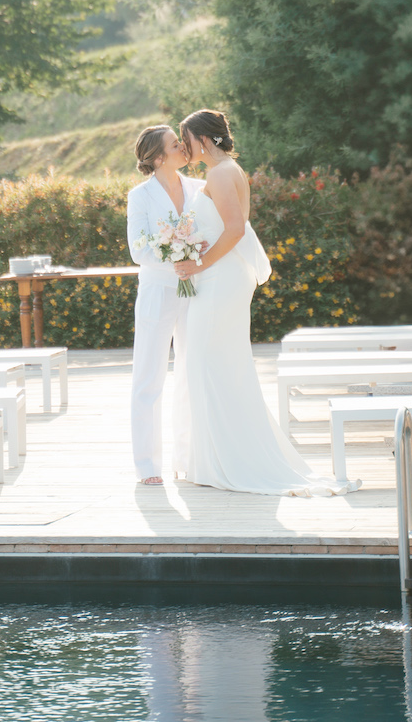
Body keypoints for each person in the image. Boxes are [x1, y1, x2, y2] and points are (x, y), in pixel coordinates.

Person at [174, 109, 359, 497]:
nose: (183, 145)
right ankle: (214, 458)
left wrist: (197, 262)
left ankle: (226, 460)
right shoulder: (230, 170)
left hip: (220, 278)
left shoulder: (220, 173)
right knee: (217, 363)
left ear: (203, 140)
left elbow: (236, 229)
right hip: (223, 276)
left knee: (207, 362)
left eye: (185, 138)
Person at [127, 124, 203, 485]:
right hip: (157, 291)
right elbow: (138, 250)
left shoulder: (199, 189)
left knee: (189, 375)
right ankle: (147, 465)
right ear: (158, 158)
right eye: (176, 145)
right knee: (148, 378)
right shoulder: (140, 197)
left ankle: (185, 459)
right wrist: (177, 251)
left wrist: (194, 254)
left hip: (196, 291)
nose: (183, 148)